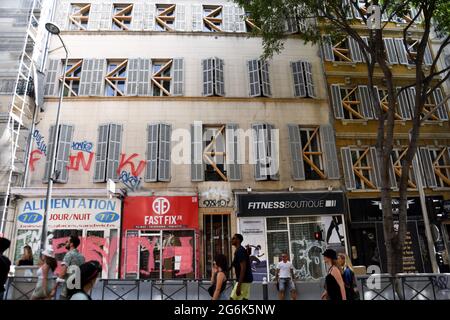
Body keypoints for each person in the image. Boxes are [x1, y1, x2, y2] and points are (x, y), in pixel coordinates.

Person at [58, 235, 85, 300]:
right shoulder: (82, 257)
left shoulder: (69, 254)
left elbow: (63, 272)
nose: (65, 243)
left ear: (71, 244)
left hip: (67, 290)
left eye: (67, 241)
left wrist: (56, 283)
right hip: (77, 290)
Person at [230, 234, 253, 300]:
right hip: (245, 280)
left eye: (233, 238)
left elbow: (243, 268)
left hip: (243, 281)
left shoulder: (240, 251)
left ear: (238, 240)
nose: (232, 239)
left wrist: (239, 286)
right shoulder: (239, 250)